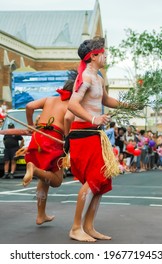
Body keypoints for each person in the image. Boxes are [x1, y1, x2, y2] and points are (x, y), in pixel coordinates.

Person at [65, 37, 138, 242]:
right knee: (94, 178)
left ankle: (88, 226)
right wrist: (94, 118)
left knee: (101, 180)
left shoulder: (98, 77)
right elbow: (73, 104)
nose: (106, 56)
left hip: (94, 134)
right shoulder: (86, 77)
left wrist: (129, 106)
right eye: (103, 53)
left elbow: (106, 100)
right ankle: (76, 227)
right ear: (93, 56)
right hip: (83, 133)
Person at [22, 77, 76, 225]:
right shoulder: (71, 105)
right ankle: (34, 169)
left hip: (38, 136)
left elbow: (29, 106)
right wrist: (67, 137)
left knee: (44, 178)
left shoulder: (49, 99)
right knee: (57, 181)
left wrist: (31, 125)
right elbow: (67, 121)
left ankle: (41, 215)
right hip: (53, 138)